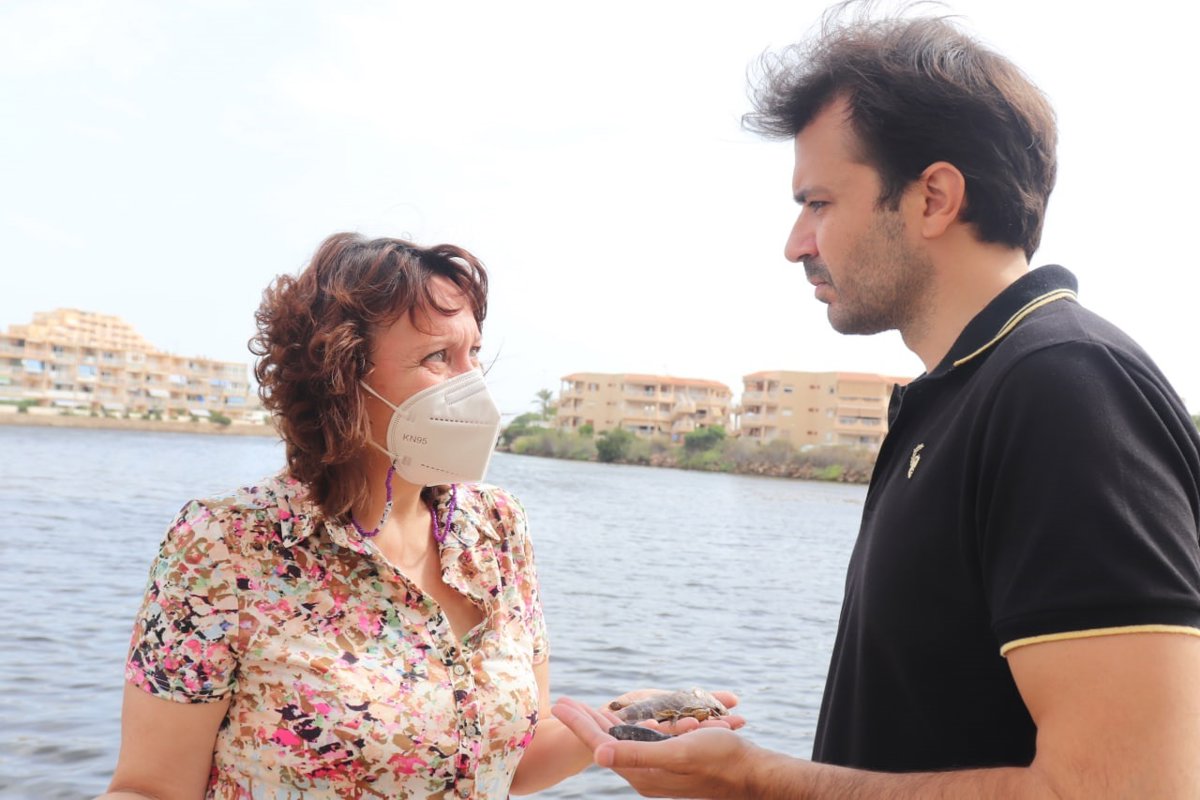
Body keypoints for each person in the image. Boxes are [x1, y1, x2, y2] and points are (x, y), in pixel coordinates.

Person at [552, 6, 1200, 798]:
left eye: (819, 202)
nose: (795, 243)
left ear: (933, 198)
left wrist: (761, 782)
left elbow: (1130, 788)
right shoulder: (967, 394)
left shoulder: (1064, 388)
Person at [100, 233, 617, 798]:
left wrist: (621, 726)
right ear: (341, 377)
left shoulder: (497, 526)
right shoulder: (226, 545)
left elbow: (513, 758)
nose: (473, 384)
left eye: (473, 354)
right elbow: (150, 787)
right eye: (438, 357)